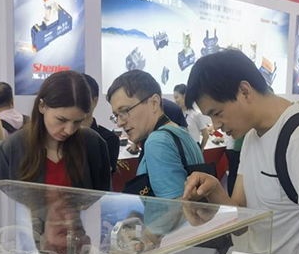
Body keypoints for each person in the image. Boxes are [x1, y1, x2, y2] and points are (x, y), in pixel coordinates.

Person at [181, 49, 299, 254]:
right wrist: (214, 190)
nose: (216, 125)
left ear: (244, 91)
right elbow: (242, 222)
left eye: (217, 113)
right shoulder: (251, 137)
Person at [0, 71, 110, 191]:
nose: (69, 131)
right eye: (62, 120)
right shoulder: (12, 147)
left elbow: (104, 197)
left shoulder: (93, 143)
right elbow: (4, 198)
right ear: (42, 106)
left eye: (78, 121)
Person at [108, 70, 203, 199]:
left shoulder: (157, 142)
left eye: (125, 111)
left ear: (154, 102)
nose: (119, 123)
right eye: (116, 115)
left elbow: (173, 208)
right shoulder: (179, 132)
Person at [82, 74, 120, 174]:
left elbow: (104, 177)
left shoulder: (108, 139)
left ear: (94, 101)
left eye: (80, 97)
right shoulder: (63, 134)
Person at [173, 84, 212, 149]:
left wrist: (200, 150)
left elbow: (206, 135)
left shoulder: (196, 114)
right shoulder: (176, 113)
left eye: (177, 97)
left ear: (184, 96)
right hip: (181, 147)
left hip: (193, 147)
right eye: (174, 98)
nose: (175, 101)